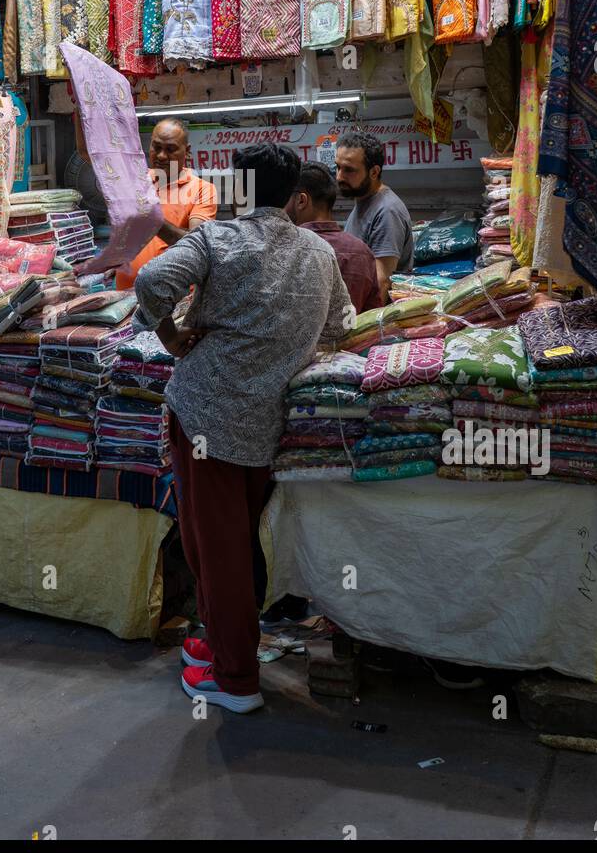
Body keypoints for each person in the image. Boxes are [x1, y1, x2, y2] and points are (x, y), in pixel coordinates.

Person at [134, 142, 354, 714]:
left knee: (218, 548)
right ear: (293, 196)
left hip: (206, 415)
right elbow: (340, 326)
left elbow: (151, 282)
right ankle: (220, 642)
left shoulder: (218, 239)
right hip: (267, 422)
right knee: (235, 544)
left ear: (239, 188)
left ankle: (235, 681)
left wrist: (170, 337)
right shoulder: (318, 252)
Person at [115, 118, 218, 290]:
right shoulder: (136, 180)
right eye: (156, 147)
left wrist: (152, 218)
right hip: (124, 294)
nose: (162, 156)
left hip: (172, 298)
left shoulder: (203, 189)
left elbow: (196, 245)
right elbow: (90, 155)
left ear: (187, 151)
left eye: (170, 149)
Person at [286, 160, 382, 314]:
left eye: (285, 199)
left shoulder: (286, 249)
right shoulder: (362, 252)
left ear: (301, 200)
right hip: (353, 336)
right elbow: (374, 316)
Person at [335, 127, 413, 303]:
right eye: (338, 167)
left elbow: (382, 281)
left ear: (374, 172)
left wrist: (356, 325)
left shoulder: (387, 211)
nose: (339, 176)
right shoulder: (364, 202)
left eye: (349, 170)